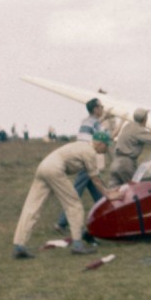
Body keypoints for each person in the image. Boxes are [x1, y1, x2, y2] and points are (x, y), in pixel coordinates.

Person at [12, 131, 121, 259]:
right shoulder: (90, 152)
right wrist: (108, 195)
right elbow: (95, 179)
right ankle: (77, 245)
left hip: (43, 167)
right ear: (100, 143)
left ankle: (19, 246)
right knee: (74, 205)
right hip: (55, 169)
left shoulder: (82, 145)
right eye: (106, 146)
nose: (106, 149)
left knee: (32, 208)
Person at [55, 98, 112, 234]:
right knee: (76, 193)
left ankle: (108, 217)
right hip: (87, 161)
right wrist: (118, 122)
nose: (102, 108)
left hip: (82, 159)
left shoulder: (86, 122)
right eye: (101, 106)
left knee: (97, 193)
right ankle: (61, 223)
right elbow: (107, 136)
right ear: (95, 109)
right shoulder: (95, 123)